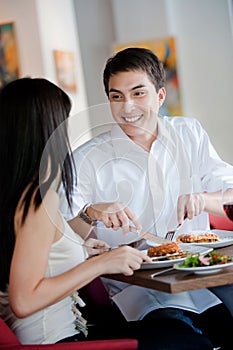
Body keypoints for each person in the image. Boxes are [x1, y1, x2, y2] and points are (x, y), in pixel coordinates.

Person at [59, 47, 233, 349]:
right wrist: (91, 213)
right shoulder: (86, 158)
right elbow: (62, 241)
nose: (127, 108)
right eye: (116, 96)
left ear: (160, 96)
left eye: (138, 94)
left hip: (201, 279)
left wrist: (203, 200)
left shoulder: (189, 133)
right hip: (138, 292)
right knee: (188, 342)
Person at [0, 76, 179, 349]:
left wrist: (90, 216)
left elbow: (42, 248)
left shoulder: (16, 193)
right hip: (57, 341)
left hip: (61, 335)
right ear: (45, 129)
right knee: (182, 338)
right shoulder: (37, 198)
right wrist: (101, 264)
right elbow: (24, 301)